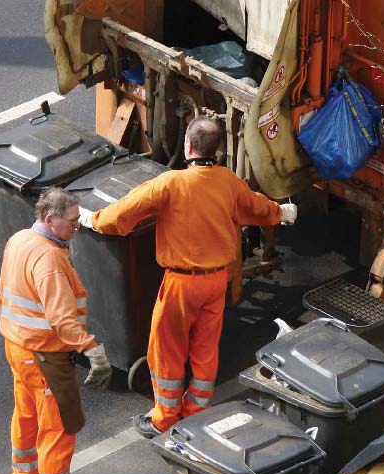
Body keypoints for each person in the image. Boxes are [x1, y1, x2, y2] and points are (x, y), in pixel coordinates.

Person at [80, 116, 296, 439]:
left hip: (181, 284)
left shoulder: (171, 184)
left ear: (187, 146)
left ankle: (165, 417)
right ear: (219, 151)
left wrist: (93, 219)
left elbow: (124, 213)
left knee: (166, 348)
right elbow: (257, 208)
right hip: (215, 282)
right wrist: (283, 213)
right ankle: (196, 410)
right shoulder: (228, 182)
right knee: (205, 349)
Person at [0, 187, 112, 474]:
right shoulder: (49, 261)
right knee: (58, 433)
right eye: (73, 221)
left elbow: (5, 291)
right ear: (50, 220)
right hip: (46, 356)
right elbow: (62, 319)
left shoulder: (19, 239)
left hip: (18, 348)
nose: (77, 227)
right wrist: (91, 349)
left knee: (26, 415)